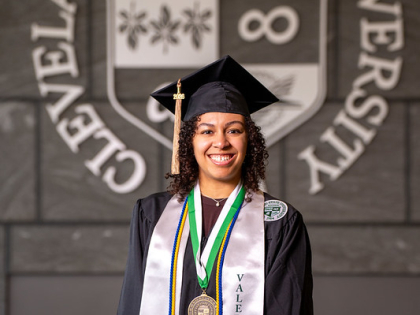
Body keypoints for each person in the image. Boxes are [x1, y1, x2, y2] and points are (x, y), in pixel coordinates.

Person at [117, 55, 313, 315]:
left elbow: (287, 306)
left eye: (233, 130)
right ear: (189, 142)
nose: (221, 142)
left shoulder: (279, 221)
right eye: (207, 131)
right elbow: (133, 301)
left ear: (249, 141)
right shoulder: (151, 214)